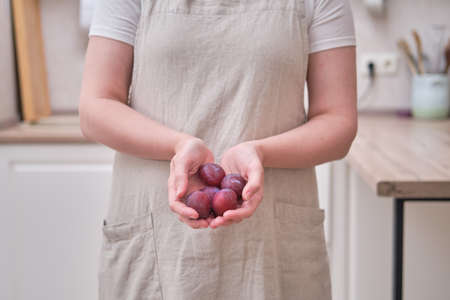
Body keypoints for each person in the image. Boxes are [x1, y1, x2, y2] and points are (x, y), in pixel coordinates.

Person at [79, 0, 357, 299]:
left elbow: (338, 122)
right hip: (158, 234)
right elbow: (96, 109)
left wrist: (261, 152)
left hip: (271, 237)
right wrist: (178, 145)